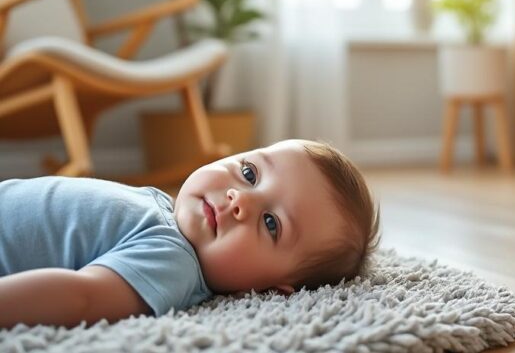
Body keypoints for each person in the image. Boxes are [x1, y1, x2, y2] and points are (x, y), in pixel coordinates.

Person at [0, 139, 380, 328]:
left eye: (271, 223)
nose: (240, 199)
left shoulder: (172, 262)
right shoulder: (168, 214)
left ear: (271, 289)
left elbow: (81, 297)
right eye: (249, 173)